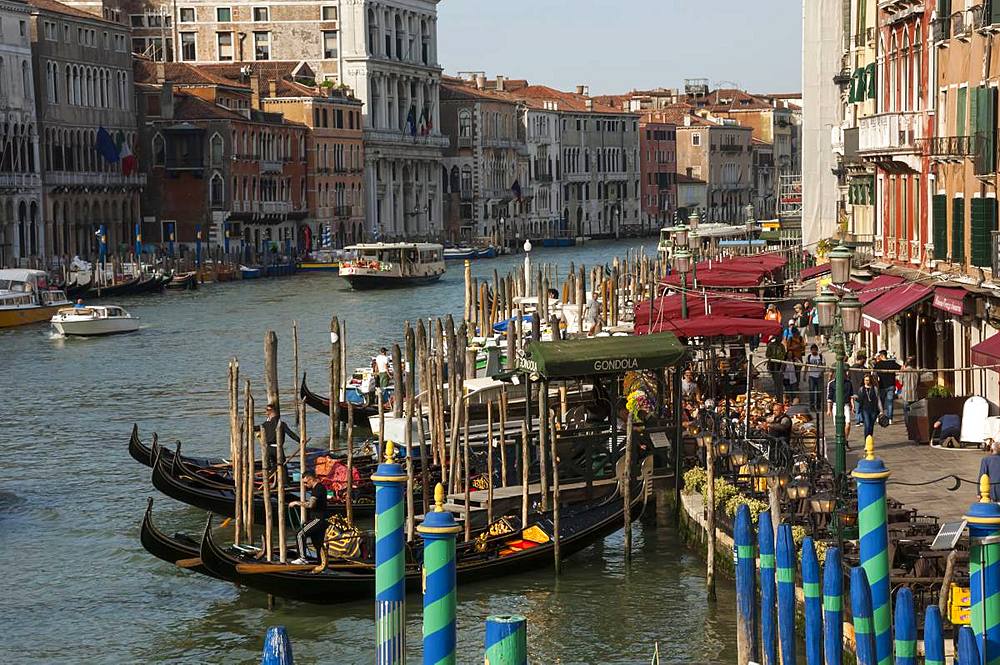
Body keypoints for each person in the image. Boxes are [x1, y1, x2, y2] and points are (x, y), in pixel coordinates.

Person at [290, 472, 329, 564]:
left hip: (318, 519)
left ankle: (302, 558)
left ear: (310, 479)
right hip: (322, 520)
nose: (305, 485)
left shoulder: (318, 488)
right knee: (317, 543)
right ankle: (321, 563)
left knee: (300, 534)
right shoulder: (318, 488)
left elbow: (311, 505)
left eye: (306, 483)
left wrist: (297, 503)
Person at [256, 403, 301, 480]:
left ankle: (272, 480)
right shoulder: (281, 424)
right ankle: (285, 483)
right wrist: (300, 441)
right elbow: (291, 434)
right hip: (277, 449)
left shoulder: (266, 424)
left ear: (272, 411)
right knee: (282, 467)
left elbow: (255, 428)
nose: (266, 411)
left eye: (267, 410)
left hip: (268, 449)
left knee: (274, 466)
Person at [873, 350, 901, 424]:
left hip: (882, 385)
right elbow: (901, 368)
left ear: (882, 356)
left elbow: (874, 374)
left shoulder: (878, 364)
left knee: (881, 402)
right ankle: (890, 418)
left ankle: (880, 416)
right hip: (891, 384)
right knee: (890, 402)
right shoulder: (892, 363)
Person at [827, 373, 855, 445]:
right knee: (838, 425)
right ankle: (842, 441)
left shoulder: (849, 383)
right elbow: (829, 397)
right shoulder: (832, 384)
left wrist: (853, 406)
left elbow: (851, 395)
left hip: (846, 405)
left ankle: (844, 440)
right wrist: (829, 409)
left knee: (848, 424)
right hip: (836, 405)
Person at [856, 374, 883, 439]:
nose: (866, 382)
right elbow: (859, 400)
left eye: (868, 380)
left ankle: (870, 439)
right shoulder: (861, 389)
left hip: (873, 409)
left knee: (871, 426)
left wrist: (881, 410)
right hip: (865, 409)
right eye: (865, 380)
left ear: (870, 380)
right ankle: (866, 440)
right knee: (867, 425)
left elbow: (878, 399)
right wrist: (856, 407)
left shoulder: (875, 388)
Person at [849, 353, 869, 425]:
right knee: (863, 406)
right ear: (860, 360)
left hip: (854, 389)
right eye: (864, 360)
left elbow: (849, 378)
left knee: (858, 406)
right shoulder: (864, 369)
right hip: (863, 390)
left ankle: (859, 420)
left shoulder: (851, 368)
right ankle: (861, 420)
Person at [805, 344, 825, 411]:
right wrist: (805, 375)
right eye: (812, 349)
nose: (813, 351)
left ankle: (818, 405)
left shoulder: (821, 357)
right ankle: (812, 406)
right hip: (811, 376)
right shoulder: (809, 357)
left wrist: (822, 373)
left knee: (819, 392)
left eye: (815, 349)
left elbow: (824, 366)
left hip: (819, 377)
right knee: (812, 392)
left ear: (817, 350)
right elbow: (806, 366)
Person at [900, 355, 918, 421]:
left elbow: (900, 382)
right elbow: (918, 383)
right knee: (913, 412)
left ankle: (907, 425)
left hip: (906, 394)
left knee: (906, 412)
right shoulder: (916, 371)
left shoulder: (903, 371)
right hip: (914, 394)